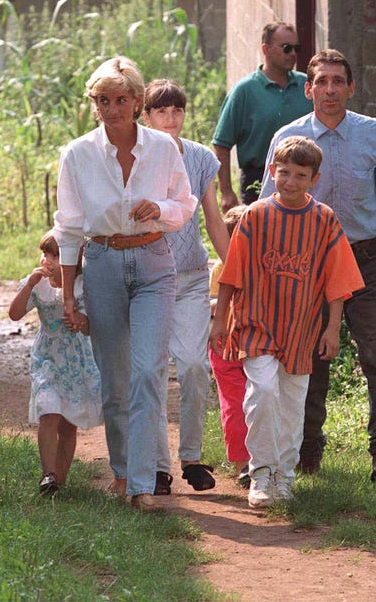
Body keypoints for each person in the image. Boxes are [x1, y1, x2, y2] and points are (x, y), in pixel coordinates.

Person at [259, 49, 376, 483]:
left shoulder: (372, 133)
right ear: (307, 89)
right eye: (320, 81)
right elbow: (269, 203)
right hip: (306, 263)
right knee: (310, 356)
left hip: (365, 257)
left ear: (350, 88)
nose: (329, 90)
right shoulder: (288, 136)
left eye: (337, 81)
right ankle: (307, 451)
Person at [53, 57, 197, 512]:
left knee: (149, 372)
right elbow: (69, 228)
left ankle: (141, 484)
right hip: (103, 262)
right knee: (115, 380)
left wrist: (158, 208)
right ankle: (121, 469)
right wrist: (68, 295)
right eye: (102, 101)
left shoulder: (162, 148)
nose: (112, 108)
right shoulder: (77, 154)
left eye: (121, 100)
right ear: (93, 105)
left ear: (137, 102)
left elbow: (184, 203)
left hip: (155, 261)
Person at [210, 137, 364, 508]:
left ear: (315, 178)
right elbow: (231, 274)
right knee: (261, 391)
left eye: (300, 175)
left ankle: (284, 475)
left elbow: (338, 281)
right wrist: (220, 320)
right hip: (255, 322)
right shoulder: (254, 217)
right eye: (284, 173)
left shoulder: (324, 220)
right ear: (271, 172)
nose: (290, 181)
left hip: (301, 329)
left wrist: (331, 329)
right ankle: (260, 473)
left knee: (293, 404)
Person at [141, 78, 230, 495]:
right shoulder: (137, 157)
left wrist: (234, 270)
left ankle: (191, 457)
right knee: (154, 372)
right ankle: (159, 467)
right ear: (147, 116)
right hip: (148, 276)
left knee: (195, 366)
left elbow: (213, 219)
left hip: (192, 276)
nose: (171, 118)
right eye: (161, 111)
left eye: (177, 110)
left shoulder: (198, 157)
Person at [8, 231, 102, 495]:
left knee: (67, 423)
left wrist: (80, 321)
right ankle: (47, 474)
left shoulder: (84, 287)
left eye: (56, 255)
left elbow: (92, 329)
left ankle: (59, 480)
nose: (48, 260)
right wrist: (28, 285)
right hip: (47, 358)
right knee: (48, 411)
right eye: (46, 254)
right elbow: (15, 314)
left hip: (76, 363)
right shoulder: (39, 285)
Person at [212, 22, 313, 211]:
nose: (293, 54)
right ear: (265, 49)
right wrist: (226, 191)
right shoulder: (245, 91)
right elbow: (221, 144)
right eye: (286, 48)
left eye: (296, 48)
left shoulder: (306, 86)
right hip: (258, 180)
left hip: (304, 178)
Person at [208, 204, 250, 488]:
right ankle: (242, 463)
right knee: (235, 405)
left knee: (257, 401)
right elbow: (212, 305)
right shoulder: (221, 268)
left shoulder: (264, 265)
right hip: (226, 344)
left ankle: (258, 460)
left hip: (256, 341)